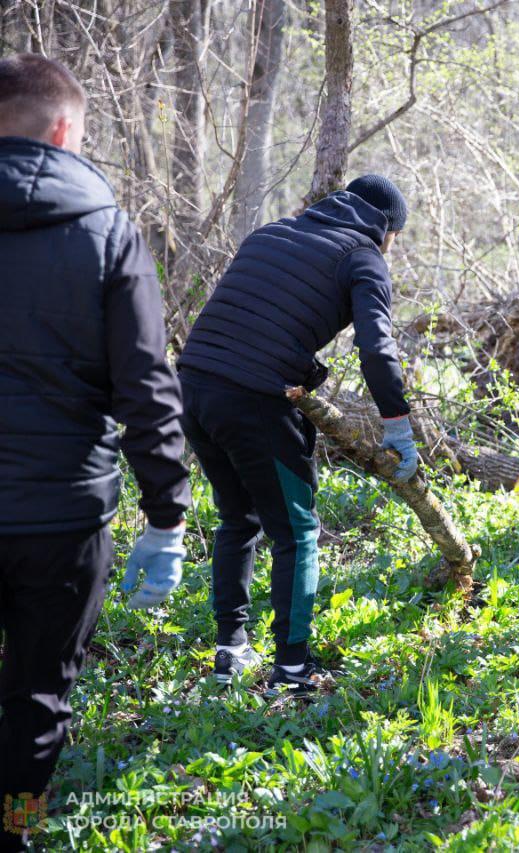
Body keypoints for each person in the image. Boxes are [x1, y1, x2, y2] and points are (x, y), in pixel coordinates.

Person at [0, 54, 191, 851]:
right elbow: (145, 386)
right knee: (40, 692)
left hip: (57, 506)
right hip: (62, 517)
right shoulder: (108, 233)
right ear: (67, 128)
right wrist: (166, 516)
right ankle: (14, 830)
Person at [178, 175, 418, 694]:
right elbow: (376, 350)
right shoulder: (363, 257)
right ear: (387, 230)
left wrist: (305, 372)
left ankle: (231, 652)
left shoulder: (272, 233)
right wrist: (398, 425)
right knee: (298, 533)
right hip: (252, 401)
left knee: (238, 518)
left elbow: (252, 323)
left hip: (192, 387)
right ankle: (291, 672)